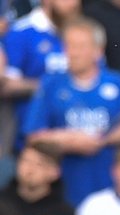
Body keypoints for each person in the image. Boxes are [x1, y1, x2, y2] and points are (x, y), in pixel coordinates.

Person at [22, 17, 120, 206]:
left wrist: (101, 141)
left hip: (107, 185)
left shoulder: (117, 82)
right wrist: (68, 140)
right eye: (68, 46)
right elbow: (33, 136)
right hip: (64, 188)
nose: (73, 53)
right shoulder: (51, 83)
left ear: (98, 51)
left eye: (80, 46)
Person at [3, 0, 81, 134]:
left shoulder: (83, 33)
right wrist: (50, 86)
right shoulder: (21, 32)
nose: (73, 3)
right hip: (31, 132)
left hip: (80, 129)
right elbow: (6, 85)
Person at [0, 143, 79, 215]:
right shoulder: (2, 201)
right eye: (25, 161)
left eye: (39, 164)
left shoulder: (63, 213)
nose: (29, 169)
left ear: (55, 172)